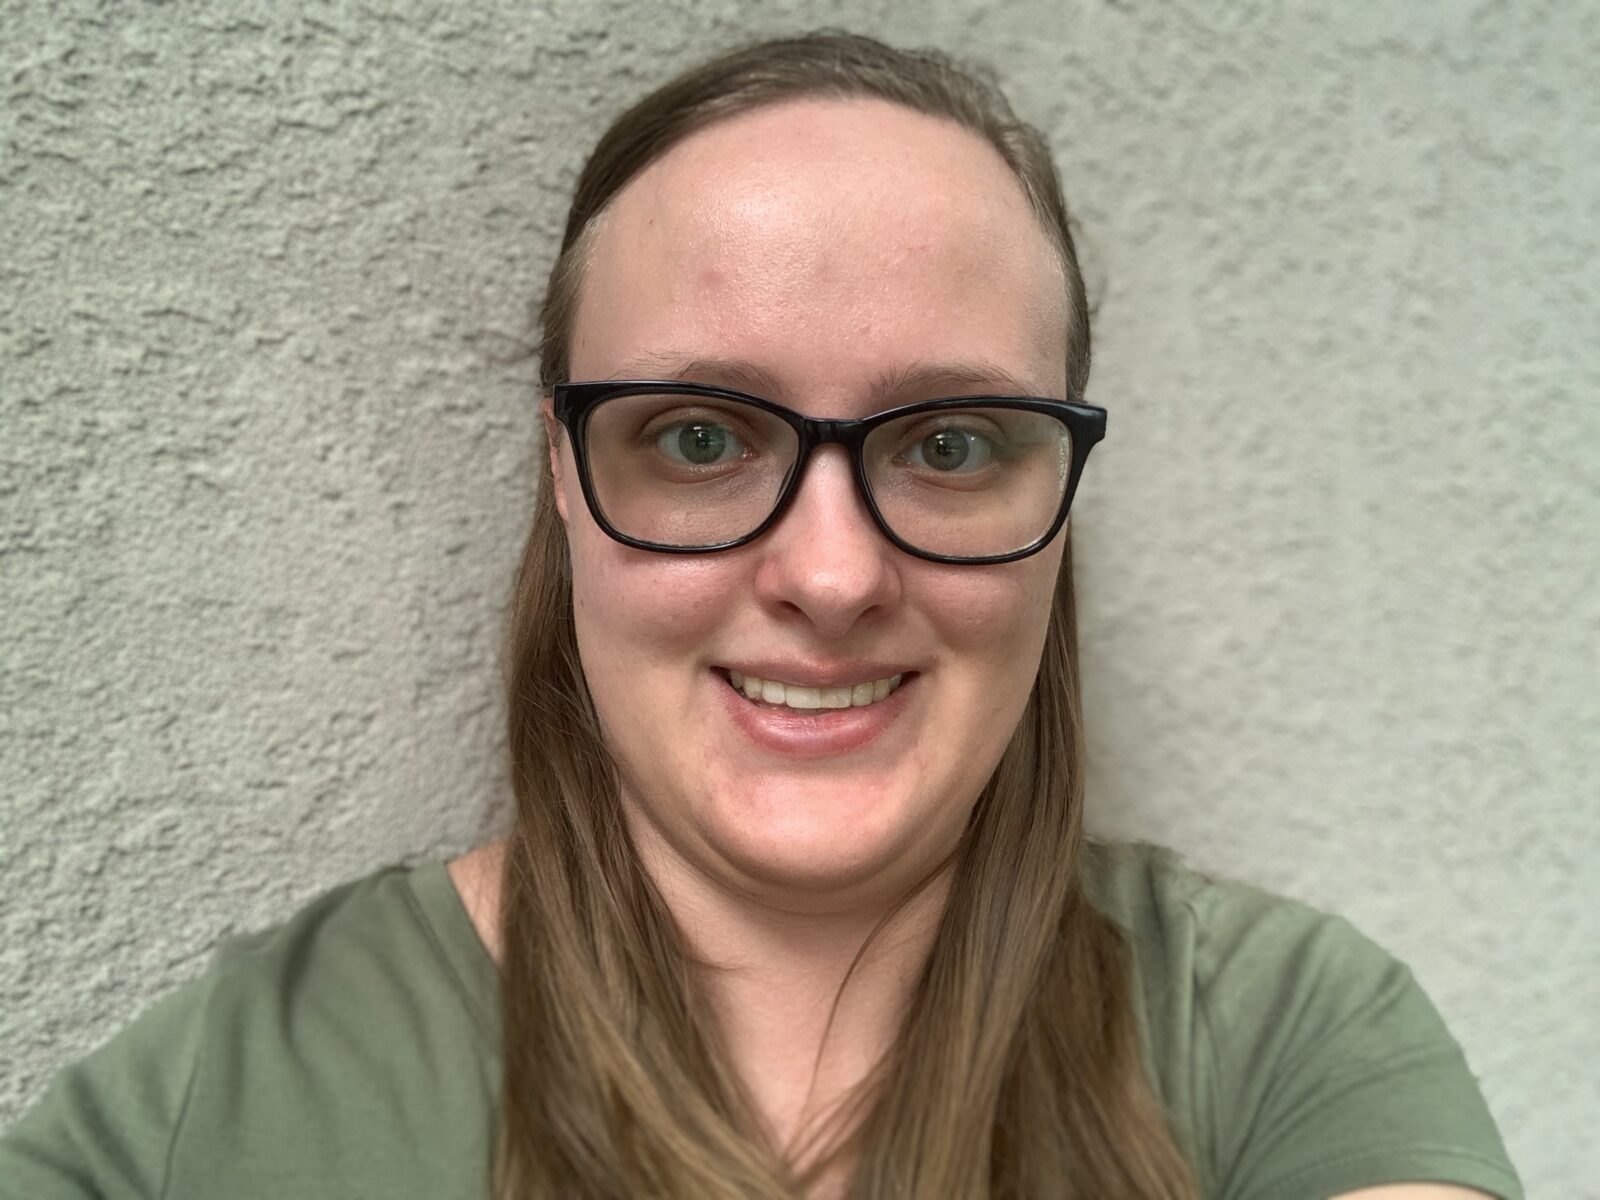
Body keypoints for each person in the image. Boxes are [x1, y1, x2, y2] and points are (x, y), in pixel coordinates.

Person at [0, 31, 1522, 1200]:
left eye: (948, 445)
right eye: (702, 437)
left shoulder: (1281, 1040)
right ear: (563, 474)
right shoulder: (227, 1101)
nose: (835, 575)